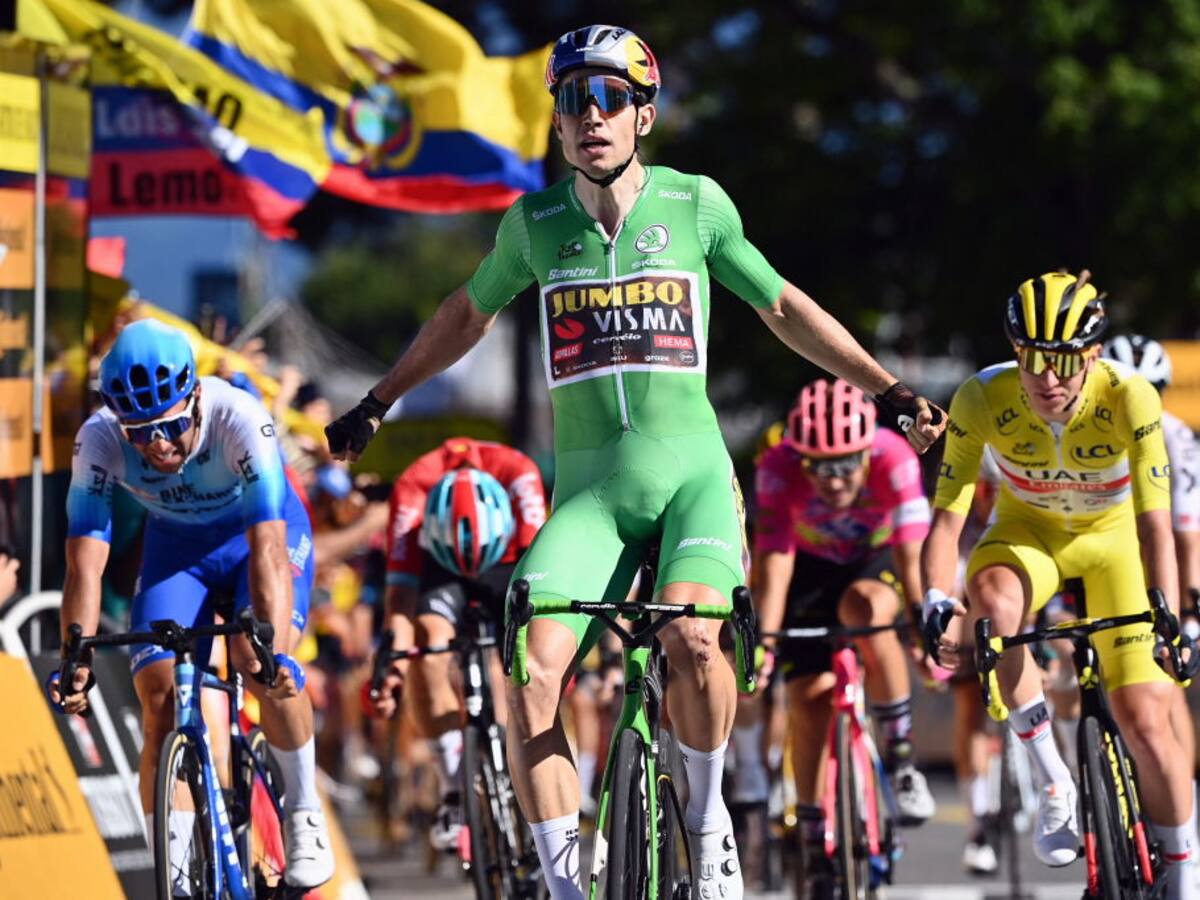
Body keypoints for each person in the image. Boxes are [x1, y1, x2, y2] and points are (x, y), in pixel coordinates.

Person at [326, 25, 943, 899]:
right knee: (530, 671)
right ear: (556, 121)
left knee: (693, 639)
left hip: (693, 482)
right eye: (573, 100)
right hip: (592, 498)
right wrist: (377, 401)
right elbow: (466, 313)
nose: (591, 116)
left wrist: (887, 390)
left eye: (610, 98)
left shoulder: (696, 206)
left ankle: (709, 821)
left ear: (643, 115)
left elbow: (781, 307)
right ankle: (564, 884)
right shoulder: (535, 225)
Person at [921, 272, 1197, 898]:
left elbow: (1156, 527)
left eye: (1065, 361)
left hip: (1113, 544)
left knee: (1147, 719)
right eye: (1031, 358)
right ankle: (1054, 781)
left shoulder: (1129, 396)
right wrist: (936, 600)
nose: (1047, 377)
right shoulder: (981, 397)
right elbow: (947, 523)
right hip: (1029, 535)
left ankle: (1185, 872)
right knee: (991, 603)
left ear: (1093, 354)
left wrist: (1172, 619)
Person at [50, 320, 335, 891]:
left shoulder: (239, 417)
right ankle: (177, 879)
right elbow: (85, 564)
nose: (158, 444)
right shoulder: (98, 440)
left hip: (258, 539)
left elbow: (269, 550)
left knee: (260, 664)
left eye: (172, 425)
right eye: (140, 433)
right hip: (178, 550)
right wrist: (74, 655)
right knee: (159, 700)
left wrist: (274, 649)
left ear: (196, 396)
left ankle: (304, 811)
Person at [752, 378, 936, 892]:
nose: (833, 481)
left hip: (874, 562)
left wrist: (922, 627)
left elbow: (912, 556)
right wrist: (767, 643)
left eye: (846, 465)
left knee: (866, 607)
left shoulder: (894, 457)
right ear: (800, 457)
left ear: (867, 452)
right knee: (809, 699)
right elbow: (775, 564)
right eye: (820, 467)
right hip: (807, 570)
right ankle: (813, 837)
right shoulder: (778, 467)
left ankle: (901, 758)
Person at [368, 437, 546, 851]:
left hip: (509, 563)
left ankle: (518, 755)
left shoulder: (519, 472)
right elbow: (400, 599)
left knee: (523, 649)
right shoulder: (412, 487)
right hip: (440, 569)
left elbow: (544, 581)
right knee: (429, 643)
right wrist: (394, 666)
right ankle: (454, 786)